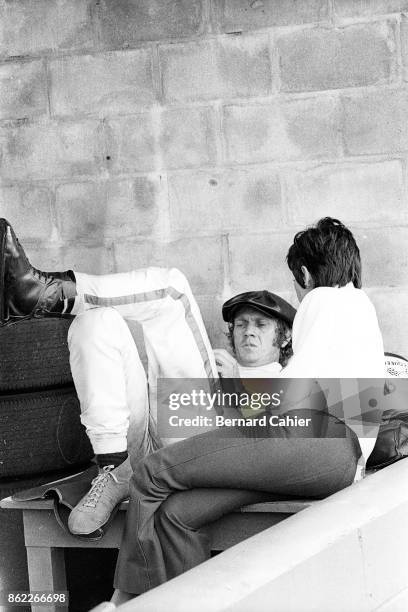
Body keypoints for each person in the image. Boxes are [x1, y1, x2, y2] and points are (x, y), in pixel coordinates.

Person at [108, 217, 385, 604]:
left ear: (304, 273)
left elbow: (293, 395)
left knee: (153, 471)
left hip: (316, 441)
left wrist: (238, 407)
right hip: (335, 458)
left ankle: (126, 601)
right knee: (178, 514)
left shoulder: (326, 299)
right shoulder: (360, 307)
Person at [0, 218, 294, 536]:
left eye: (261, 325)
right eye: (241, 324)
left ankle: (44, 293)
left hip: (198, 454)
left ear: (286, 337)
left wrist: (239, 385)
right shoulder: (207, 361)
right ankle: (113, 468)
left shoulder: (294, 373)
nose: (248, 331)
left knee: (173, 290)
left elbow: (287, 445)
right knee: (96, 322)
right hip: (145, 449)